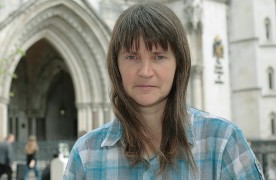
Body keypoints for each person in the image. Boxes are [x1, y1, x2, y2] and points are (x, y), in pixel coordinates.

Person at [63, 2, 264, 179]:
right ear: (116, 66)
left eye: (159, 57)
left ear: (179, 64)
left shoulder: (223, 144)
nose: (145, 71)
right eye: (132, 57)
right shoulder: (86, 155)